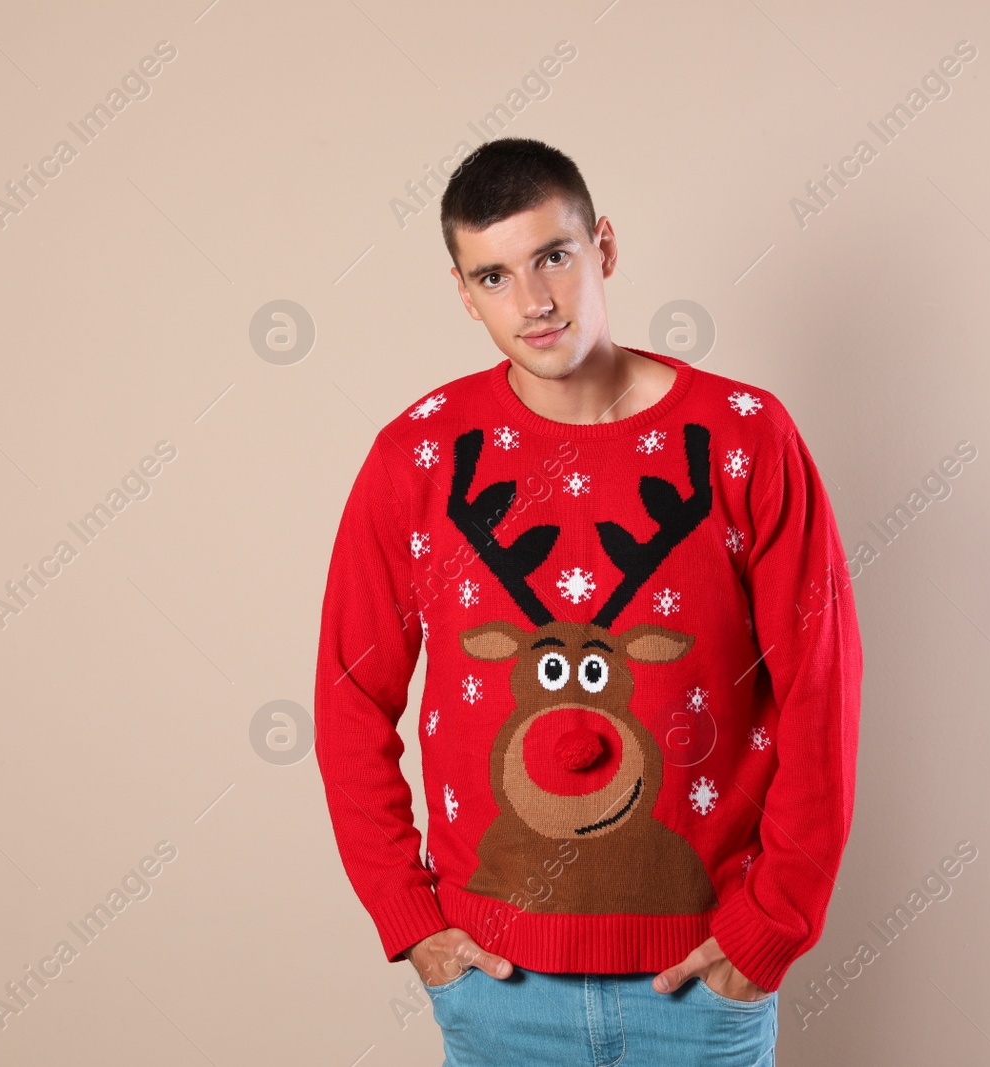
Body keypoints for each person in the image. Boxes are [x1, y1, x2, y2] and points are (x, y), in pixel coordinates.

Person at [313, 136, 862, 1066]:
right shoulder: (417, 457)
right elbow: (346, 693)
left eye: (552, 258)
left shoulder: (745, 439)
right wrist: (413, 922)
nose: (532, 302)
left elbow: (821, 692)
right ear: (462, 291)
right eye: (492, 276)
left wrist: (771, 928)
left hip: (701, 984)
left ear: (603, 247)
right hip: (497, 992)